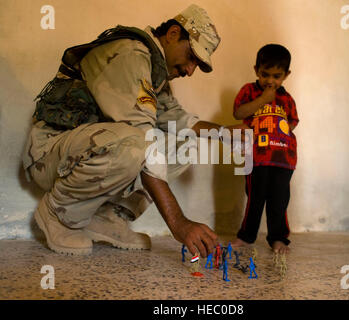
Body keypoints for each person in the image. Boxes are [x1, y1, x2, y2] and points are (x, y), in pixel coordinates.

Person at [22, 4, 247, 258]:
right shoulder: (131, 53)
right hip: (49, 153)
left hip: (78, 152)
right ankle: (58, 212)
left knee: (183, 145)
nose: (190, 70)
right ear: (173, 34)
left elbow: (178, 121)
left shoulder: (154, 70)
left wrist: (225, 133)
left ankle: (108, 218)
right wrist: (179, 222)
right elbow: (144, 143)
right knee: (137, 144)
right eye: (192, 57)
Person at [230, 44, 299, 255]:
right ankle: (246, 236)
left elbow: (293, 122)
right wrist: (262, 101)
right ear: (256, 70)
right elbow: (238, 113)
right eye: (265, 74)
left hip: (283, 159)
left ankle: (278, 238)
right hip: (257, 158)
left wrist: (278, 134)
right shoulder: (249, 91)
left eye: (277, 76)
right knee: (255, 198)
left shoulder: (287, 99)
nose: (270, 81)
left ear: (286, 75)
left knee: (279, 200)